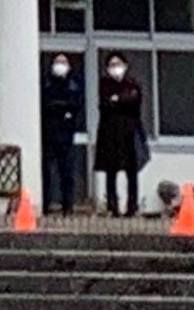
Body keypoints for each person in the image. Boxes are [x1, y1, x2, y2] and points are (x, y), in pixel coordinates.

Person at [92, 49, 149, 217]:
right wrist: (120, 100)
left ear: (125, 66)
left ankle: (132, 207)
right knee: (111, 172)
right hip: (110, 134)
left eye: (118, 64)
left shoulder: (133, 84)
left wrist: (119, 99)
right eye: (111, 65)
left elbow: (134, 101)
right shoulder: (105, 84)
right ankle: (112, 207)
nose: (115, 68)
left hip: (130, 134)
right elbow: (105, 105)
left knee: (132, 172)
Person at [42, 50, 88, 215]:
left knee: (67, 173)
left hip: (67, 136)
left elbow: (75, 107)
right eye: (57, 62)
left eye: (64, 62)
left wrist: (62, 109)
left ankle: (67, 207)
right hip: (48, 135)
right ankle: (45, 205)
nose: (60, 66)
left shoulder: (73, 85)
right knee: (46, 172)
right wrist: (61, 109)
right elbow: (46, 105)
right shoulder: (46, 83)